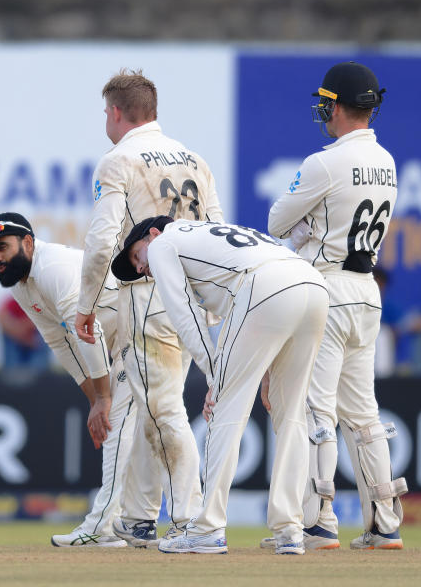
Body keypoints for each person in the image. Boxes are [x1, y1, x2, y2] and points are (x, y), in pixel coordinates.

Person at [112, 216, 329, 554]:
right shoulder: (209, 234)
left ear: (152, 234)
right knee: (292, 414)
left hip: (264, 286)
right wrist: (263, 366)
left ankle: (208, 528)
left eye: (138, 256)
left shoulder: (165, 243)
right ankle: (290, 530)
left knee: (224, 408)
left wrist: (215, 375)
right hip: (312, 285)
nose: (142, 268)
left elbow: (184, 314)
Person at [75, 69, 224, 538]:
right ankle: (140, 518)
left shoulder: (117, 160)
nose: (105, 120)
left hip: (149, 296)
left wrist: (87, 305)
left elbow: (102, 243)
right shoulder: (194, 159)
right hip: (194, 299)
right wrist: (215, 304)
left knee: (162, 411)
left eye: (106, 112)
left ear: (116, 113)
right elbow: (217, 229)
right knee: (151, 406)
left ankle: (191, 521)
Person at [267, 61, 406, 551]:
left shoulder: (323, 162)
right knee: (363, 411)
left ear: (339, 105)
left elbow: (277, 221)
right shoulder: (387, 161)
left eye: (327, 101)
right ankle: (385, 520)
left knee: (315, 406)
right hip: (368, 291)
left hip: (326, 287)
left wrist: (307, 230)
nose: (322, 110)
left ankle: (320, 518)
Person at [0, 213, 164, 548]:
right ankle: (130, 524)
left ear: (28, 242)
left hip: (143, 330)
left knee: (120, 426)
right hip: (120, 342)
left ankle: (103, 527)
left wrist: (103, 399)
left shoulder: (52, 268)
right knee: (126, 429)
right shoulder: (21, 283)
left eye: (1, 248)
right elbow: (59, 341)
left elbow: (88, 332)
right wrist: (94, 399)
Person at [0, 295, 50, 370]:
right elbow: (0, 316)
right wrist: (21, 335)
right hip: (18, 339)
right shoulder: (14, 300)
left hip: (33, 339)